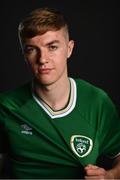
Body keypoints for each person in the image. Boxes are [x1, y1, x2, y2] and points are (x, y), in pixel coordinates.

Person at [0, 7, 120, 179]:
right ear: (24, 55)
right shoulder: (6, 107)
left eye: (52, 47)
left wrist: (110, 176)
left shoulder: (96, 101)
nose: (42, 59)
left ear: (69, 49)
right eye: (32, 49)